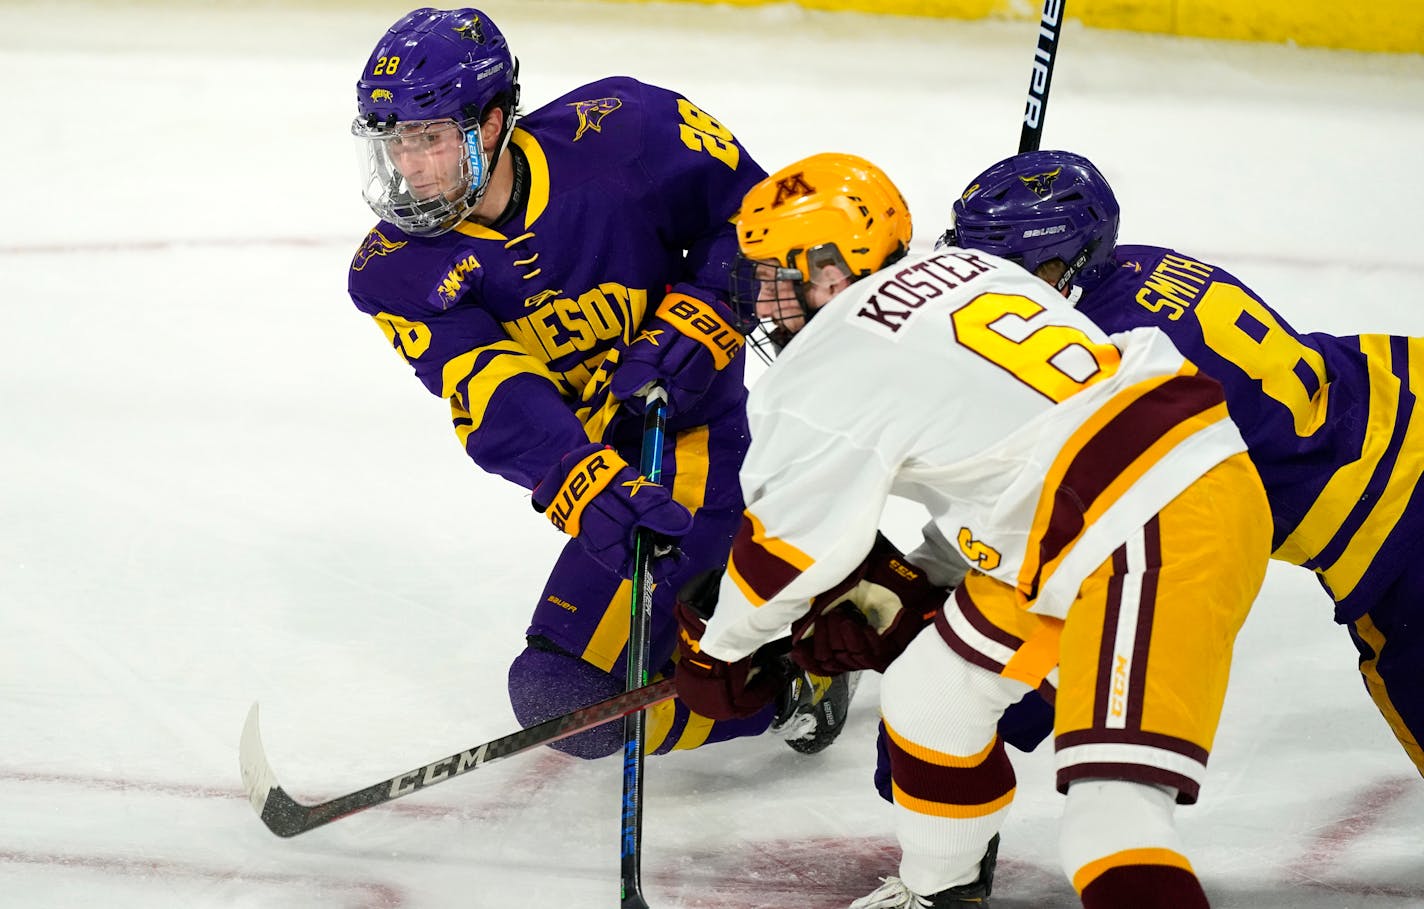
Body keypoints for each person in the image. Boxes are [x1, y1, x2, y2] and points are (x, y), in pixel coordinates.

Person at [671, 151, 1273, 909]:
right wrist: (922, 574)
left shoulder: (828, 358)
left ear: (828, 271)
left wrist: (721, 648)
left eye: (773, 279)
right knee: (933, 693)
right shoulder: (973, 271)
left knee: (1111, 813)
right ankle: (939, 889)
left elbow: (789, 550)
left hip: (1143, 525)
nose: (762, 305)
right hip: (1114, 510)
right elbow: (1023, 451)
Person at [344, 7, 855, 759]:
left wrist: (708, 309)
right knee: (563, 696)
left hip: (699, 438)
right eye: (392, 145)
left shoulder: (628, 131)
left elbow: (759, 216)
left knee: (614, 682)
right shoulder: (394, 271)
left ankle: (792, 671)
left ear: (488, 125)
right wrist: (580, 481)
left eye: (426, 139)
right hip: (613, 465)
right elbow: (496, 393)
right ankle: (766, 638)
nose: (407, 168)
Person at [947, 149, 1424, 779]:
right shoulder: (1136, 266)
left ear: (1069, 261)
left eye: (1008, 264)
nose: (984, 280)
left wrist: (985, 714)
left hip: (1393, 520)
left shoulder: (1106, 371)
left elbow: (1099, 576)